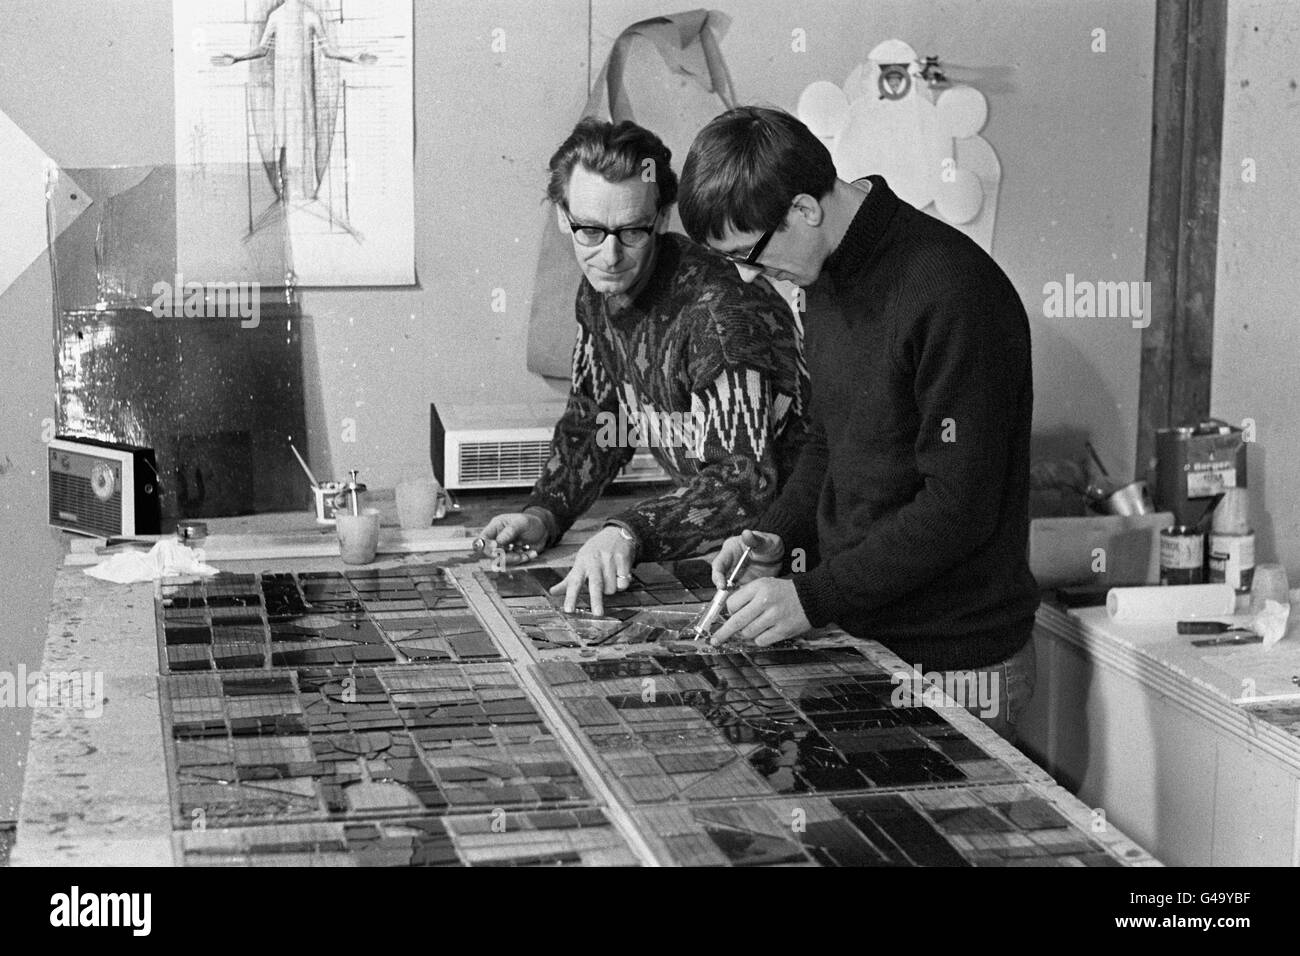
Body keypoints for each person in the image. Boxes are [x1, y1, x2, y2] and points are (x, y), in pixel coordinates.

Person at [677, 106, 1039, 741]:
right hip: (868, 638)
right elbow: (830, 439)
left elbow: (959, 506)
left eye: (751, 254)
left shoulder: (952, 290)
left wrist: (812, 598)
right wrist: (774, 535)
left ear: (804, 211)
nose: (747, 276)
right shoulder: (824, 275)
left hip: (957, 664)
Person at [481, 118, 807, 615]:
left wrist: (628, 531)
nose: (609, 256)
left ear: (660, 216)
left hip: (806, 554)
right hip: (731, 554)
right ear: (561, 216)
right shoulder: (599, 292)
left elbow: (742, 483)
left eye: (632, 230)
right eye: (589, 230)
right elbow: (597, 423)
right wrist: (545, 513)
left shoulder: (718, 312)